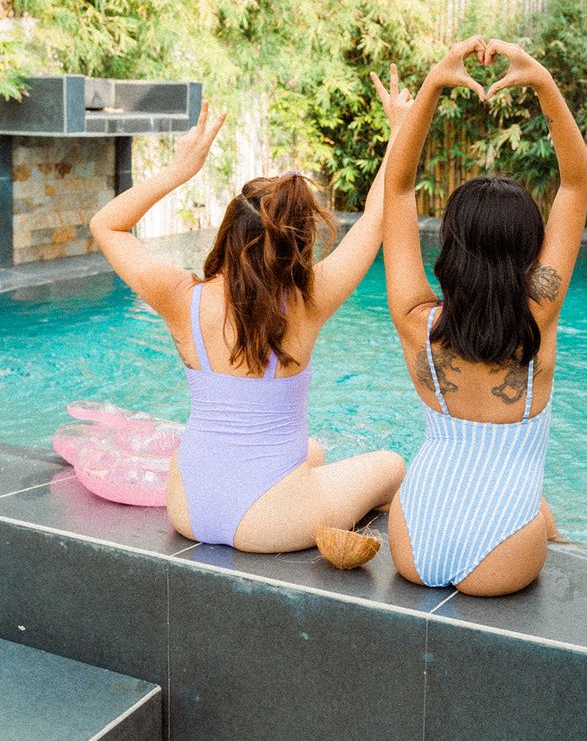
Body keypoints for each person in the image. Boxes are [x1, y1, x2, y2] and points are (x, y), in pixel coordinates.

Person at [89, 70, 412, 553]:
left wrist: (180, 170)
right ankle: (329, 522)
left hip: (189, 507)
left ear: (227, 231)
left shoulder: (182, 297)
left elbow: (107, 226)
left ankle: (306, 500)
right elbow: (375, 217)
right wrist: (400, 133)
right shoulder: (309, 301)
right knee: (391, 465)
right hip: (266, 524)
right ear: (299, 247)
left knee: (314, 452)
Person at [382, 36, 587, 596]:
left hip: (413, 539)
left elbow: (397, 191)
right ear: (530, 251)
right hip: (503, 551)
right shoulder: (537, 318)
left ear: (450, 247)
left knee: (531, 501)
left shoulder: (415, 322)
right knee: (533, 502)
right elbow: (576, 181)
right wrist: (545, 84)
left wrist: (430, 87)